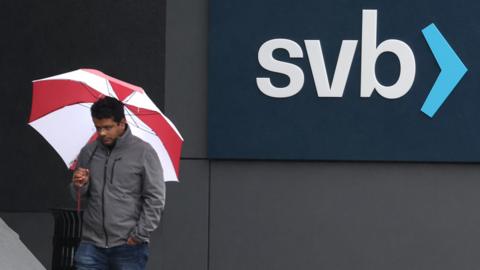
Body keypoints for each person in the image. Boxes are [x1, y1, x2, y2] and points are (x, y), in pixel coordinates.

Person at [70, 96, 165, 270]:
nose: (102, 133)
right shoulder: (88, 152)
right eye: (98, 127)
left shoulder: (144, 152)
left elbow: (156, 198)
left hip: (128, 247)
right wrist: (79, 185)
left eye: (108, 127)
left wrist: (139, 235)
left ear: (122, 123)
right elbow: (79, 198)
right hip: (91, 244)